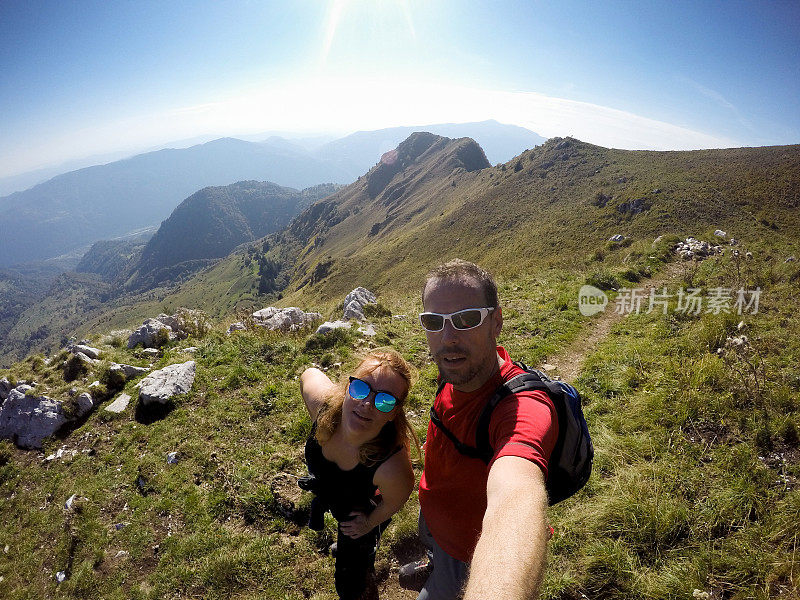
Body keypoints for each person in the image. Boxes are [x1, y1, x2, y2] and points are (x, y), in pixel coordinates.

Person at [412, 259, 559, 600]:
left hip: (471, 553)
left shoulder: (521, 408)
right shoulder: (457, 366)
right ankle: (433, 557)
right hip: (438, 521)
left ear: (496, 322)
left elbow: (517, 495)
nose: (448, 338)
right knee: (435, 545)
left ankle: (441, 571)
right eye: (434, 322)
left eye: (466, 320)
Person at [300, 349, 418, 600]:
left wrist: (368, 523)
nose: (366, 404)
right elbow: (309, 374)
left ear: (394, 413)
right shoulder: (324, 410)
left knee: (351, 580)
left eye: (384, 400)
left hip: (362, 510)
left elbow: (396, 500)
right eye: (360, 389)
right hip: (335, 494)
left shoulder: (392, 466)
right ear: (346, 389)